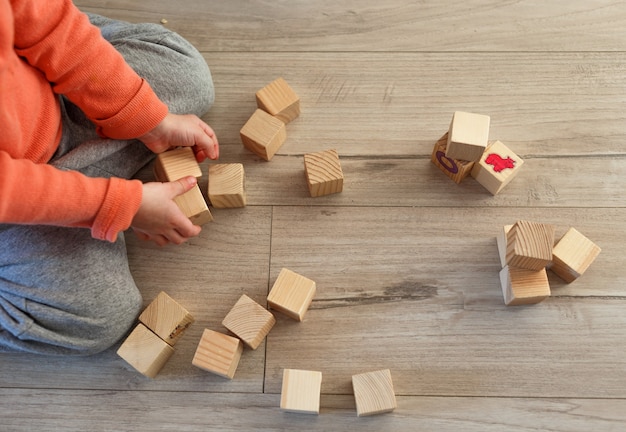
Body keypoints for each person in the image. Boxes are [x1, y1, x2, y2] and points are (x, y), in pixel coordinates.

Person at [0, 0, 219, 355]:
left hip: (47, 103)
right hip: (10, 212)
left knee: (188, 77)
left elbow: (48, 25)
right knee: (100, 316)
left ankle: (89, 168)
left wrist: (150, 120)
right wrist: (120, 206)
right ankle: (90, 179)